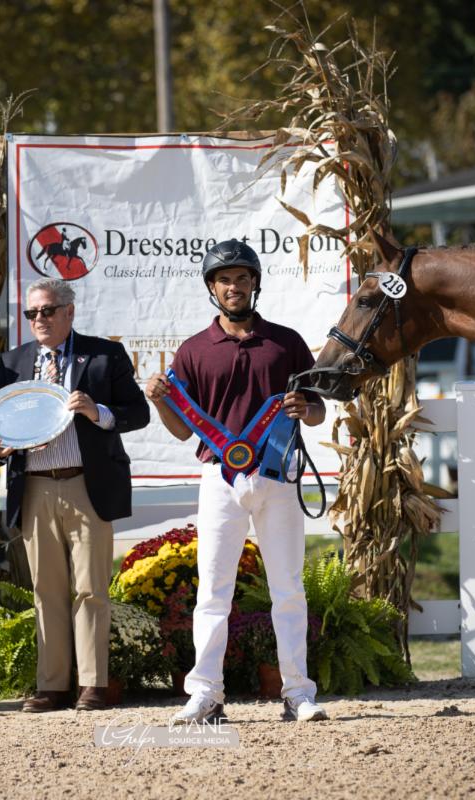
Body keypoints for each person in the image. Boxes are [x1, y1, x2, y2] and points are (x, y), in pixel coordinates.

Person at [145, 240, 329, 724]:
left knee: (288, 588)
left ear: (254, 284)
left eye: (242, 278)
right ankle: (206, 693)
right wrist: (160, 400)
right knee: (213, 590)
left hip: (278, 475)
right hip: (219, 477)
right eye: (224, 279)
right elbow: (182, 430)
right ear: (212, 288)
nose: (234, 287)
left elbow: (317, 410)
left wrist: (305, 409)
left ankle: (298, 692)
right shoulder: (193, 350)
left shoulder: (286, 342)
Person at [0, 277, 149, 712]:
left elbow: (138, 413)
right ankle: (52, 685)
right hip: (34, 486)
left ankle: (93, 684)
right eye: (32, 313)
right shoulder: (13, 363)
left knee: (91, 588)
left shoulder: (104, 355)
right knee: (46, 589)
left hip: (87, 484)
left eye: (47, 310)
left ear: (69, 312)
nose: (38, 319)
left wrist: (98, 413)